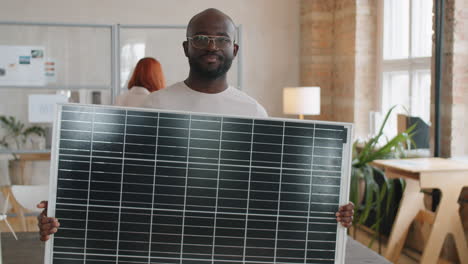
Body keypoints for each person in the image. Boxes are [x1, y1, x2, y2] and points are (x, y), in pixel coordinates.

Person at [37, 8, 354, 242]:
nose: (211, 46)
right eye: (201, 38)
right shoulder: (156, 105)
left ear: (234, 49)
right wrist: (67, 203)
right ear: (187, 47)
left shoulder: (254, 112)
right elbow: (122, 180)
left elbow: (273, 191)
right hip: (163, 236)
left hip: (232, 239)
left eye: (221, 39)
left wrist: (331, 210)